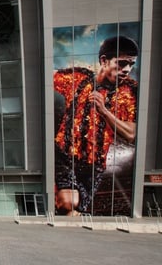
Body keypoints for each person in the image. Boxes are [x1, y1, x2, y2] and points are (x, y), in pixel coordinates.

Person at [54, 35, 138, 215]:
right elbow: (48, 77)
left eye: (131, 64)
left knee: (76, 209)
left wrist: (105, 111)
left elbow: (131, 134)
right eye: (122, 63)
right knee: (68, 204)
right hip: (65, 155)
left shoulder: (128, 92)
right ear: (104, 61)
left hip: (94, 166)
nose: (127, 69)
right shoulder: (78, 78)